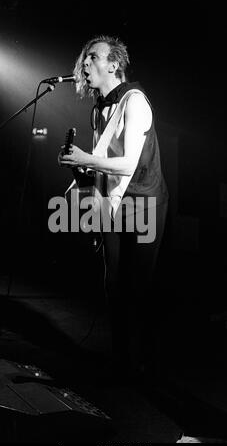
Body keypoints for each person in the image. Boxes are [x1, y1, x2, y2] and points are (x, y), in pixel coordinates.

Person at [58, 35, 169, 382]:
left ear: (114, 64)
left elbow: (127, 165)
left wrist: (85, 158)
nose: (85, 65)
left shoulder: (135, 102)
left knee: (139, 286)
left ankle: (147, 361)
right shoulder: (99, 109)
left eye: (93, 57)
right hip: (115, 204)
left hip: (143, 201)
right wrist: (81, 176)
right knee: (113, 284)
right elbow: (104, 165)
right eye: (85, 59)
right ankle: (123, 361)